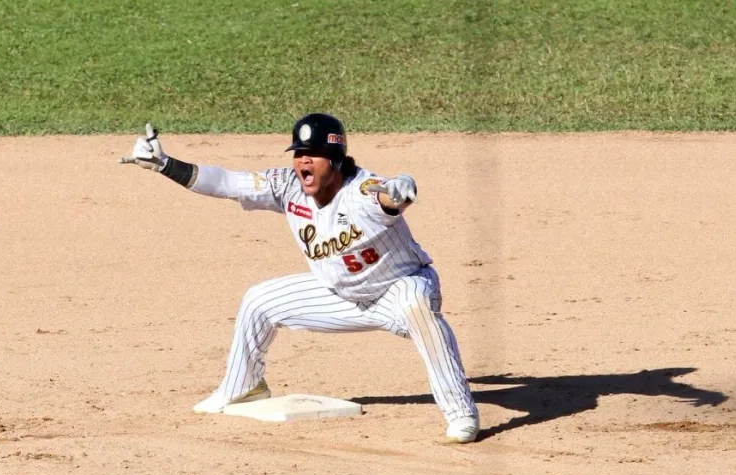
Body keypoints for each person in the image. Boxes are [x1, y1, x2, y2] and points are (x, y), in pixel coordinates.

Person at [118, 113, 480, 443]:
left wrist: (399, 191)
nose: (303, 161)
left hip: (398, 288)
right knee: (260, 301)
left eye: (314, 153)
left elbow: (386, 195)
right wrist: (165, 165)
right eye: (299, 152)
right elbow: (227, 182)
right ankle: (243, 387)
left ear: (336, 160)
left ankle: (460, 413)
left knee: (417, 307)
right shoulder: (287, 186)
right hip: (341, 296)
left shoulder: (361, 191)